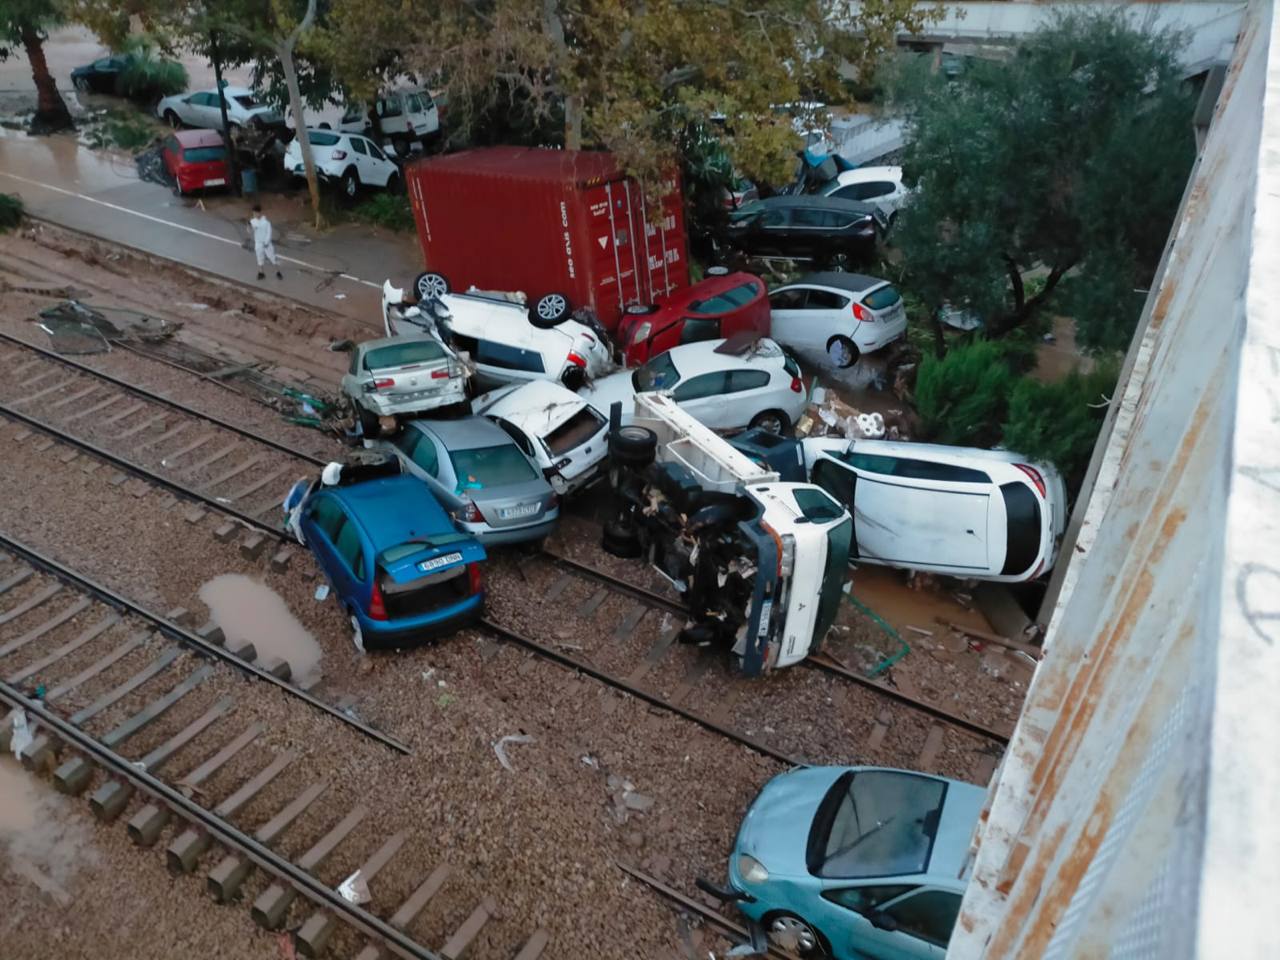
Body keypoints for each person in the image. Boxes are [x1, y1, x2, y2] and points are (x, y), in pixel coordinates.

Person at [249, 205, 283, 281]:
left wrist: (266, 242)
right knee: (259, 257)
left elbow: (269, 233)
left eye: (256, 213)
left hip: (267, 244)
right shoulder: (252, 222)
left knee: (272, 257)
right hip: (258, 243)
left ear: (259, 213)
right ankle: (261, 273)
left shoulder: (266, 222)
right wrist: (251, 229)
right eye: (253, 213)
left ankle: (278, 272)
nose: (254, 215)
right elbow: (249, 231)